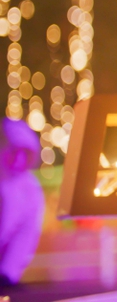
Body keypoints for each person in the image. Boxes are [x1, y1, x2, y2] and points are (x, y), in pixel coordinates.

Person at [0, 117, 44, 287]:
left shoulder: (30, 190)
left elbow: (26, 233)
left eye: (25, 153)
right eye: (13, 151)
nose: (18, 159)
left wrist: (8, 273)